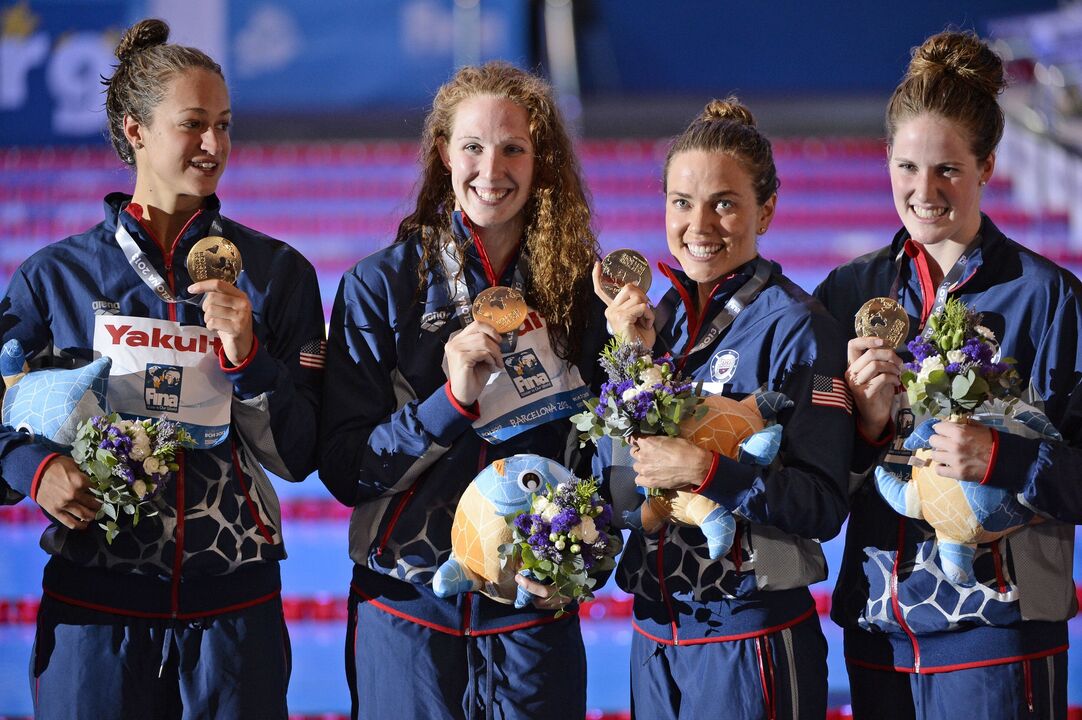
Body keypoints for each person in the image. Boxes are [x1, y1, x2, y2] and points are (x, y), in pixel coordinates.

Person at [0, 19, 325, 719]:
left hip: (234, 611)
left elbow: (300, 457)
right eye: (193, 124)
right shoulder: (54, 279)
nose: (214, 145)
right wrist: (33, 467)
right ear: (135, 130)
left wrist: (249, 361)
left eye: (225, 125)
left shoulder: (275, 275)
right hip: (96, 609)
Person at [319, 62, 606, 719]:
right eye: (473, 146)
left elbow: (600, 460)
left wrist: (581, 558)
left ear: (541, 161)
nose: (491, 168)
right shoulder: (381, 288)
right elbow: (344, 469)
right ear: (444, 152)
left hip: (532, 613)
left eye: (514, 148)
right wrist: (448, 403)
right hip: (406, 609)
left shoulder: (579, 296)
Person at [814, 30, 1082, 720]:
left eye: (948, 170)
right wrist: (866, 430)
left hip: (998, 626)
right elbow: (812, 480)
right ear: (886, 160)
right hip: (879, 622)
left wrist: (1004, 456)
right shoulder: (851, 291)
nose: (923, 191)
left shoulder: (1044, 297)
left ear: (988, 165)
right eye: (907, 167)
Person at [596, 98, 853, 719]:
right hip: (656, 632)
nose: (699, 224)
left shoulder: (798, 328)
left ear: (765, 210)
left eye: (725, 203)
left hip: (751, 634)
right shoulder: (655, 322)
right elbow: (623, 492)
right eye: (682, 202)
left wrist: (706, 470)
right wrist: (627, 359)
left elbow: (821, 504)